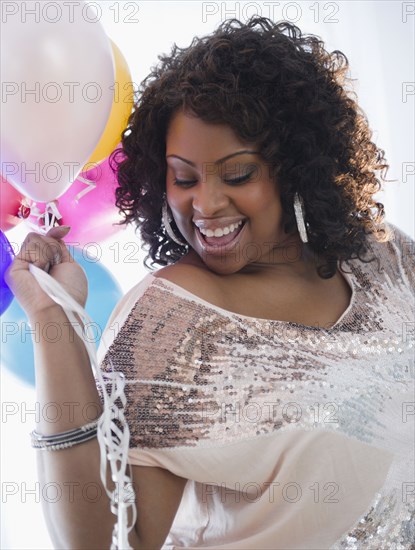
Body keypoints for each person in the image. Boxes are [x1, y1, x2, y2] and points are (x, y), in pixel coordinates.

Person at [6, 16, 414, 550]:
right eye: (184, 177)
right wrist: (50, 319)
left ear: (295, 165)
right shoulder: (171, 320)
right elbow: (97, 540)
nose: (206, 204)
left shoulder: (385, 257)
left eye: (237, 174)